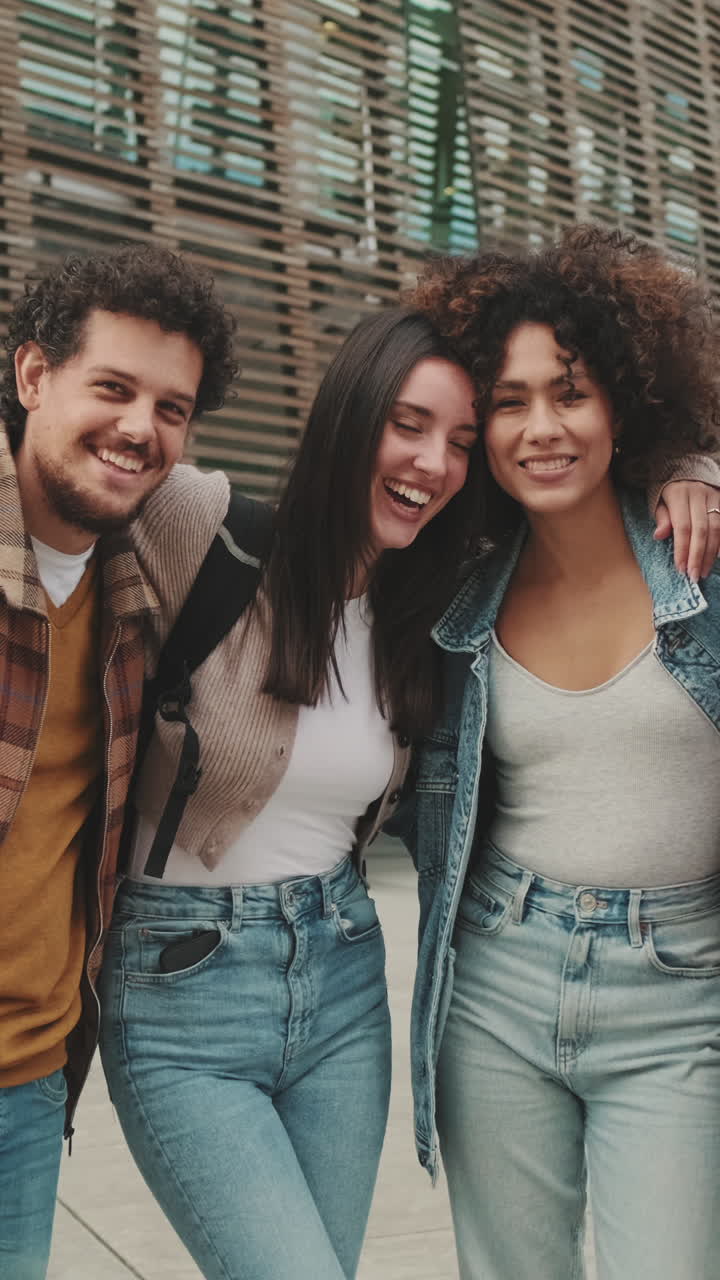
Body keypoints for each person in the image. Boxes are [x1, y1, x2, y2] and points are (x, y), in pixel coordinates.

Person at [400, 224, 720, 1280]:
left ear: (625, 402)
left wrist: (706, 462)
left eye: (570, 392)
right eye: (509, 400)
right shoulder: (461, 592)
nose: (542, 426)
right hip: (498, 974)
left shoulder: (702, 561)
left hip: (681, 995)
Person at [0, 243, 236, 1279]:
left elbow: (362, 510)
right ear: (32, 375)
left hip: (25, 1078)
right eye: (112, 386)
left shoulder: (138, 588)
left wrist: (682, 462)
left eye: (171, 407)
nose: (141, 426)